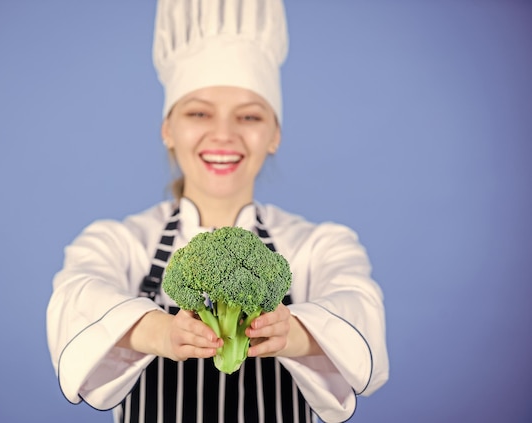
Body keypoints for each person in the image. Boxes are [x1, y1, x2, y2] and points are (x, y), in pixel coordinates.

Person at [46, 0, 389, 422]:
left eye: (248, 116)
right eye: (198, 113)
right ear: (168, 129)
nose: (224, 134)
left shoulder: (319, 244)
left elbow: (360, 309)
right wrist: (163, 333)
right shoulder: (117, 241)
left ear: (274, 134)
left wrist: (289, 332)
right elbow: (74, 300)